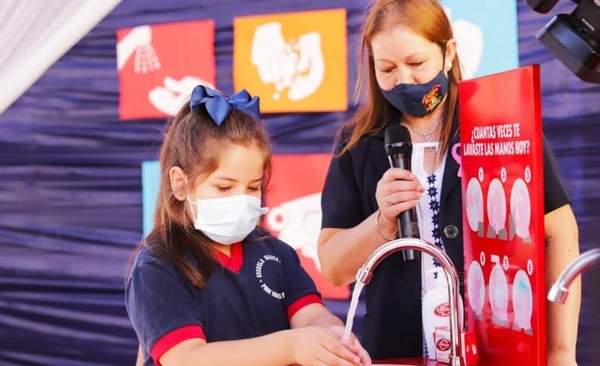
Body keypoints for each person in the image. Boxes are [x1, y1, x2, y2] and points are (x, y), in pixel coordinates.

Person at [316, 0, 581, 365]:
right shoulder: (357, 145)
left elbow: (559, 234)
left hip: (495, 345)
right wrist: (381, 221)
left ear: (448, 52)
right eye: (387, 68)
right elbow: (333, 266)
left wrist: (561, 352)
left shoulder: (500, 122)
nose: (404, 80)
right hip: (396, 349)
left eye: (416, 63)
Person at [125, 85, 371, 366]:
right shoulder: (159, 265)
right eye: (224, 187)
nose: (241, 200)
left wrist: (333, 335)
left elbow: (310, 314)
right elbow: (186, 358)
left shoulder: (276, 253)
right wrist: (289, 347)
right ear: (180, 183)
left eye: (253, 187)